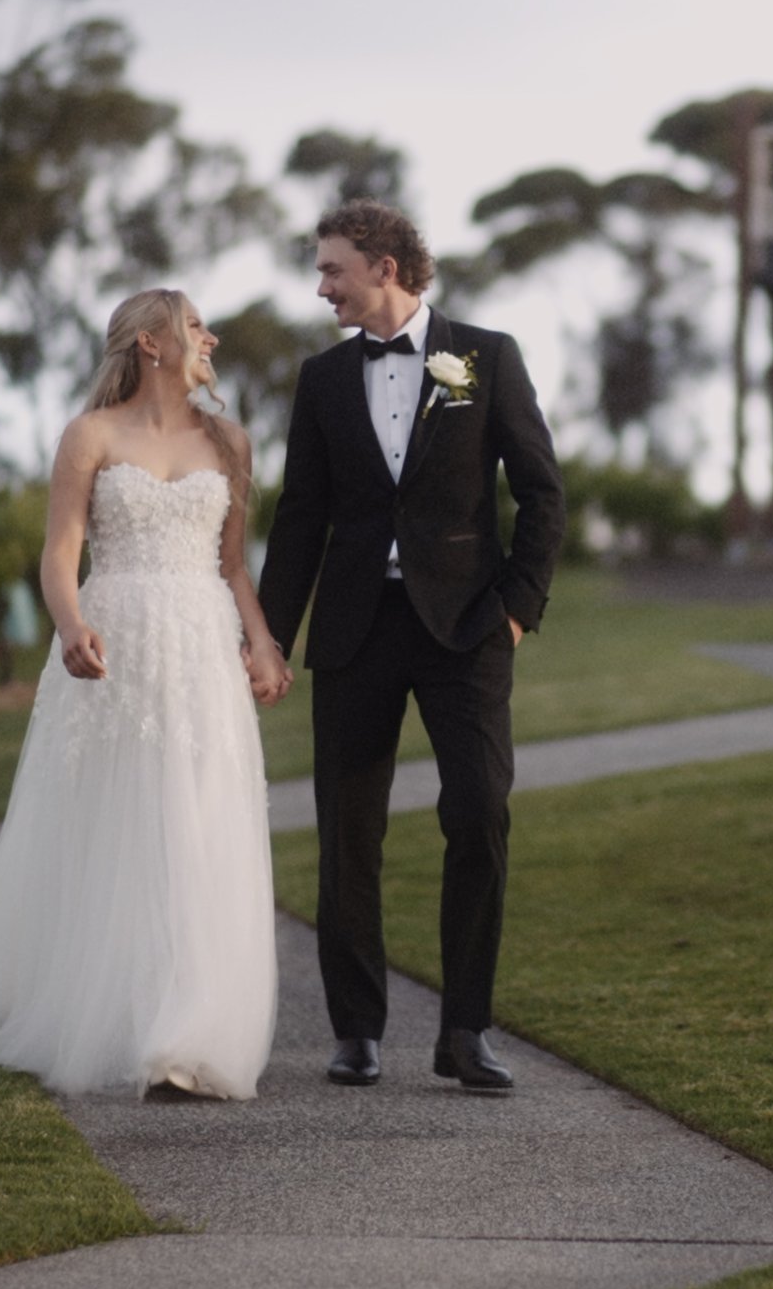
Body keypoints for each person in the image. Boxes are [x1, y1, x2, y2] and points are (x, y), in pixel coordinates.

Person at [0, 289, 292, 1100]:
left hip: (199, 649)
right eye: (196, 326)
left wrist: (263, 644)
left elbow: (233, 566)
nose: (211, 339)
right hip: (113, 643)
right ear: (152, 343)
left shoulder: (229, 441)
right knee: (112, 823)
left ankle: (187, 1034)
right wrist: (70, 624)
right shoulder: (88, 436)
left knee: (198, 825)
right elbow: (61, 553)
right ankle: (104, 1009)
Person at [257, 200, 565, 1092]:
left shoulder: (484, 357)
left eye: (332, 270)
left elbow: (542, 492)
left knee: (480, 811)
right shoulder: (322, 379)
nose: (323, 288)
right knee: (348, 831)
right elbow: (301, 516)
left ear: (383, 267)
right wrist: (269, 637)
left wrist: (516, 609)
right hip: (355, 629)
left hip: (466, 628)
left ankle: (465, 1030)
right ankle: (356, 1030)